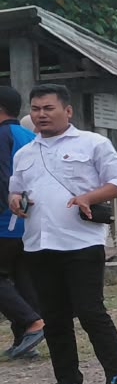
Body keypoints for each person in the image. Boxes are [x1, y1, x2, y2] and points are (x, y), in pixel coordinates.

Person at [5, 84, 117, 384]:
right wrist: (15, 201)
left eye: (48, 108)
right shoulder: (25, 154)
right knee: (55, 317)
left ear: (67, 111)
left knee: (91, 313)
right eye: (36, 109)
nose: (41, 115)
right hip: (38, 244)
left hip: (80, 243)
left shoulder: (93, 144)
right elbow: (14, 191)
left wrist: (89, 197)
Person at [0, 85, 45, 360]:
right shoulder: (28, 134)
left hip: (7, 220)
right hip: (28, 220)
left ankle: (32, 322)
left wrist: (12, 207)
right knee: (19, 276)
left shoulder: (1, 135)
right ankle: (25, 341)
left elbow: (5, 179)